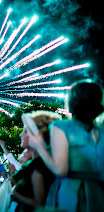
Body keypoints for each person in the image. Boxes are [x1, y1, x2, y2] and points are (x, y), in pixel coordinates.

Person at [28, 80, 104, 212]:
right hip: (98, 194)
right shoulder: (101, 132)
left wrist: (39, 146)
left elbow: (60, 170)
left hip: (71, 193)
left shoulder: (61, 127)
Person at [10, 111, 61, 211]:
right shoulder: (38, 162)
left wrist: (14, 194)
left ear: (37, 136)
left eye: (25, 131)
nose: (21, 135)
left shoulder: (38, 164)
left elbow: (39, 204)